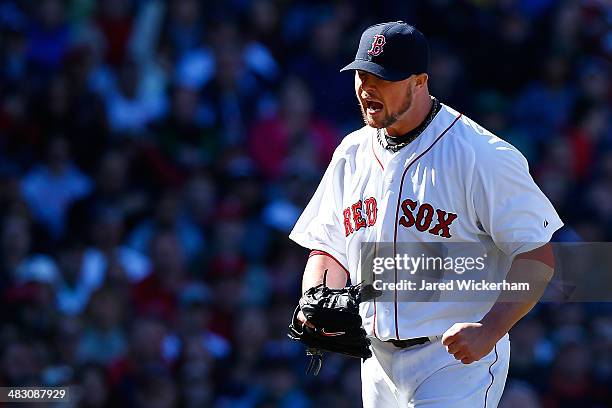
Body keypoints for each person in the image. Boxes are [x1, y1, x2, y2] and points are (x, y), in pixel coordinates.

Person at [289, 21, 562, 407]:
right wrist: (315, 298)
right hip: (377, 361)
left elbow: (537, 257)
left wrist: (490, 330)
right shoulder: (351, 153)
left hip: (453, 360)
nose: (367, 87)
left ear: (419, 82)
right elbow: (327, 248)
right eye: (362, 75)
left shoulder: (481, 156)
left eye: (382, 78)